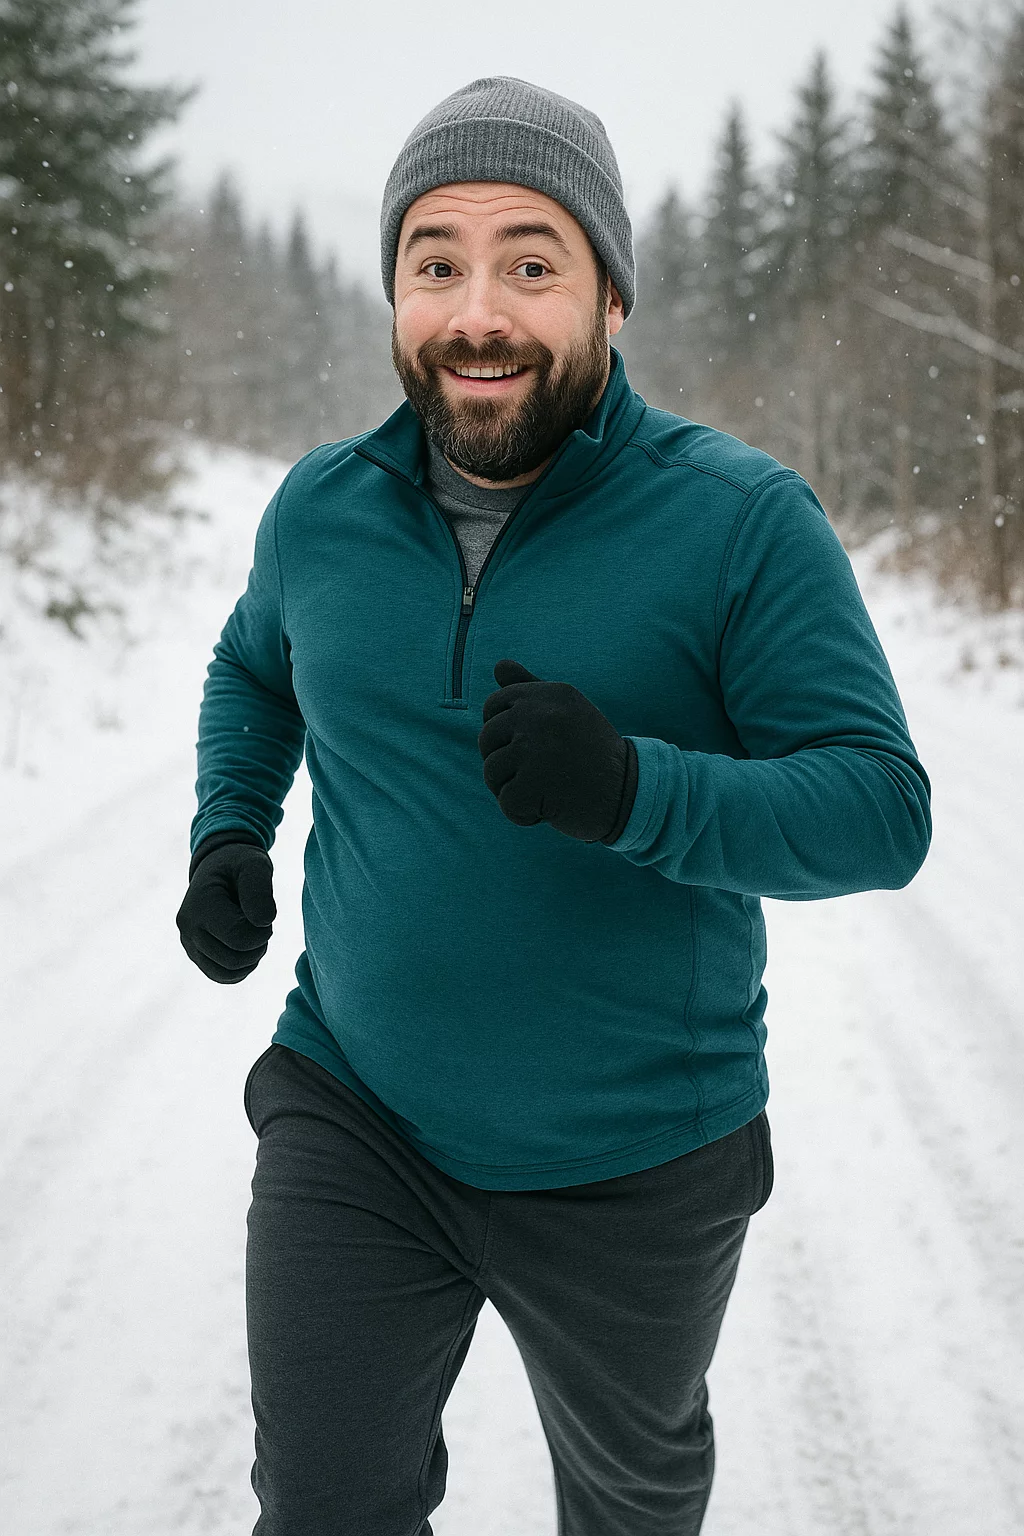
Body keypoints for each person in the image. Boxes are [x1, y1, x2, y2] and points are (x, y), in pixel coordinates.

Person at [175, 76, 931, 1536]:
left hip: (639, 1159)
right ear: (394, 292)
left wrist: (641, 789)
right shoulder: (322, 508)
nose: (479, 312)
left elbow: (878, 808)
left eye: (532, 263)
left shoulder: (738, 522)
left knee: (632, 1510)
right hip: (357, 1111)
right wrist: (227, 828)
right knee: (325, 1509)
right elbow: (252, 670)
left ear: (611, 300)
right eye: (436, 263)